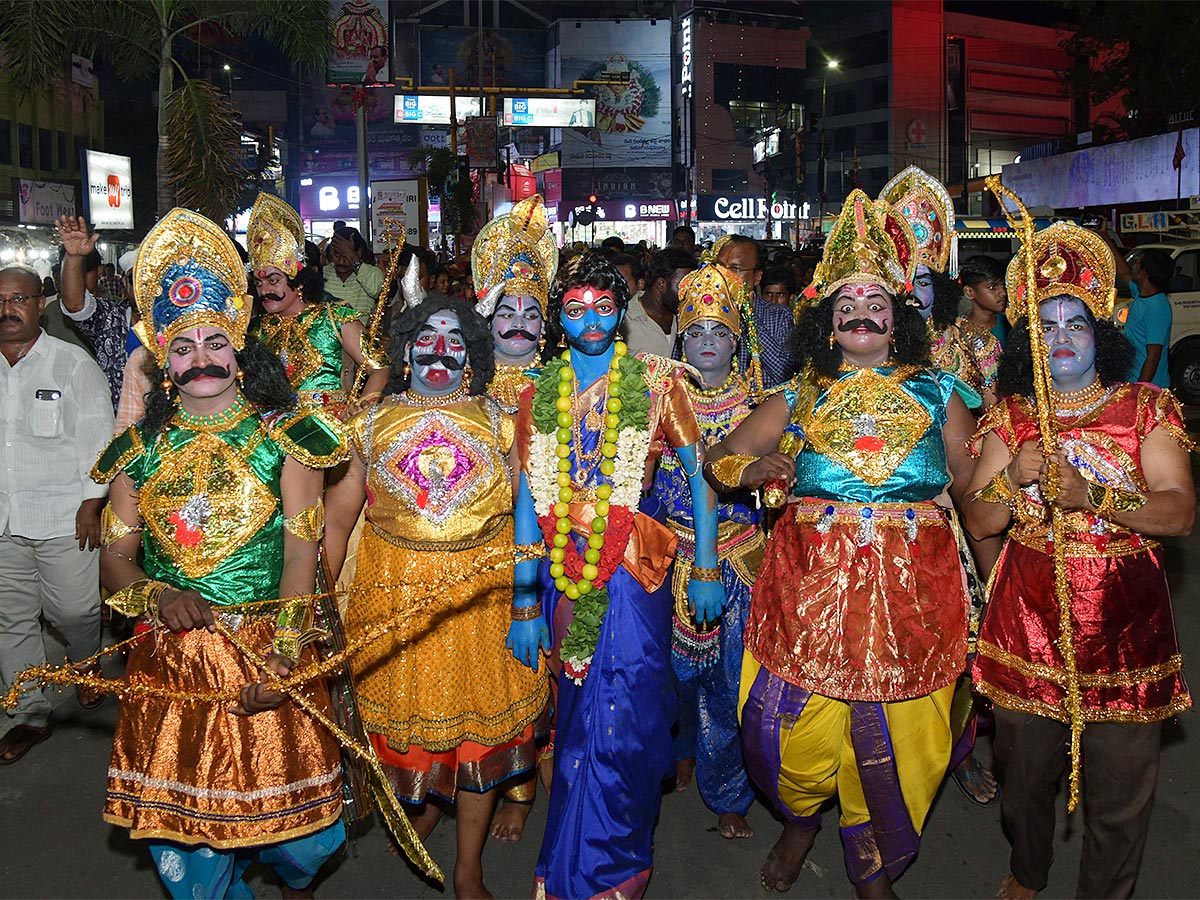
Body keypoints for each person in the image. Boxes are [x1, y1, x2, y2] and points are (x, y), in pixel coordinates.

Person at [706, 190, 975, 898]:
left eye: (876, 300)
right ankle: (799, 820)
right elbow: (719, 458)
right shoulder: (797, 394)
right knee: (784, 736)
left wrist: (1022, 464)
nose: (862, 311)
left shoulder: (940, 390)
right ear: (827, 321)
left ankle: (873, 862)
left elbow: (977, 486)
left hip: (913, 594)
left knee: (907, 739)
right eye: (847, 301)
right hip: (809, 593)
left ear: (898, 318)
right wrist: (757, 467)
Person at [90, 207, 350, 899]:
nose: (200, 357)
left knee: (307, 841)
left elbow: (303, 557)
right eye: (182, 347)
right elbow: (114, 560)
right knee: (192, 854)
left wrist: (288, 657)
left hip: (268, 652)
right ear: (162, 361)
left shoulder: (287, 439)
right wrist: (159, 596)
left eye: (214, 341)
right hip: (173, 664)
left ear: (240, 345)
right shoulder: (137, 451)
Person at [962, 220, 1194, 900]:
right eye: (1046, 325)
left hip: (1125, 627)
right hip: (1025, 624)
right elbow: (978, 518)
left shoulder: (1144, 409)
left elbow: (1180, 512)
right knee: (1023, 776)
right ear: (1029, 339)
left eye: (1076, 323)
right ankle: (1027, 872)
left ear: (1103, 334)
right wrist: (1014, 479)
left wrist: (1093, 496)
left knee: (1122, 792)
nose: (1061, 336)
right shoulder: (1012, 417)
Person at [508, 251, 724, 899]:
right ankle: (570, 859)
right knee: (574, 709)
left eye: (605, 306)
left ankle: (618, 862)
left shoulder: (659, 382)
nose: (592, 320)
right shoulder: (537, 393)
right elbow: (525, 501)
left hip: (635, 573)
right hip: (562, 575)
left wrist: (707, 565)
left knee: (626, 708)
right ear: (559, 320)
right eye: (575, 309)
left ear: (620, 312)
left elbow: (701, 477)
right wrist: (523, 605)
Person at [324, 294, 547, 899]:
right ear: (404, 350)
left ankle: (467, 866)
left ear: (473, 353)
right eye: (427, 334)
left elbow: (529, 516)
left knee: (481, 736)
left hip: (483, 596)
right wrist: (319, 602)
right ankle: (419, 803)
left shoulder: (504, 421)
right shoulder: (367, 423)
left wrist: (527, 604)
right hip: (392, 593)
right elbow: (339, 521)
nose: (440, 348)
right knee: (408, 734)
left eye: (454, 337)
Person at [879, 165, 1001, 806]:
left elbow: (981, 447)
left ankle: (958, 753)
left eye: (923, 280)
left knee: (960, 650)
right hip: (863, 529)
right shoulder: (853, 346)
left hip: (945, 523)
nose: (911, 292)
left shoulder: (964, 353)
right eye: (901, 280)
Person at [656, 263, 763, 841]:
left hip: (741, 560)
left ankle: (728, 793)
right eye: (694, 332)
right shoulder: (654, 400)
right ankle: (678, 752)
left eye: (718, 333)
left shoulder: (762, 405)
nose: (706, 343)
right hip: (665, 554)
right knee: (666, 677)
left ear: (737, 341)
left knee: (728, 682)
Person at [0, 264, 113, 764]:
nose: (8, 309)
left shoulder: (70, 364)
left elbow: (99, 439)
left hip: (63, 516)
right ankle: (29, 712)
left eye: (18, 299)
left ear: (39, 303)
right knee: (12, 620)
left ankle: (85, 665)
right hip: (3, 520)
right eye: (0, 299)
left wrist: (93, 502)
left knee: (77, 610)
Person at [246, 192, 389, 420]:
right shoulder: (255, 330)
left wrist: (360, 409)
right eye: (259, 283)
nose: (264, 291)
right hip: (271, 432)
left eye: (273, 281)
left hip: (330, 432)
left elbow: (379, 368)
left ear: (298, 280)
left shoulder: (335, 318)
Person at [471, 194, 558, 417]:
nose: (518, 323)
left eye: (530, 316)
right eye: (507, 315)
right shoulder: (463, 378)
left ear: (544, 325)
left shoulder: (561, 381)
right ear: (488, 322)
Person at [55, 216, 131, 411]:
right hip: (114, 428)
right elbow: (75, 304)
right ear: (124, 282)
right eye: (135, 277)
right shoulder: (113, 318)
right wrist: (74, 258)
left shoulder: (180, 324)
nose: (145, 285)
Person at [715, 234, 795, 388]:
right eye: (719, 267)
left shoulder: (779, 316)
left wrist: (750, 319)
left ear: (757, 277)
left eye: (735, 268)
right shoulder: (699, 313)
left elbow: (784, 374)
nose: (723, 276)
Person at [1099, 222, 1173, 387]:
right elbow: (1123, 271)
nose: (1133, 265)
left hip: (1152, 387)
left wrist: (1139, 391)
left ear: (1143, 273)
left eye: (1137, 263)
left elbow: (1153, 357)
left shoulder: (1157, 307)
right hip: (1134, 380)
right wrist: (1105, 237)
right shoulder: (1141, 294)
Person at [620, 247, 696, 359]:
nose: (689, 294)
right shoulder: (624, 318)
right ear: (661, 283)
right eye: (683, 287)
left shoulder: (688, 318)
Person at [324, 226, 384, 317]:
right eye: (337, 255)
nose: (341, 261)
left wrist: (352, 258)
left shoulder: (372, 273)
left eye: (345, 256)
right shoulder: (323, 274)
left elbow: (377, 291)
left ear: (358, 252)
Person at [959, 254, 1009, 346]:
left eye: (1003, 285)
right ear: (970, 292)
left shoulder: (1010, 327)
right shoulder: (957, 334)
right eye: (992, 287)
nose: (1003, 293)